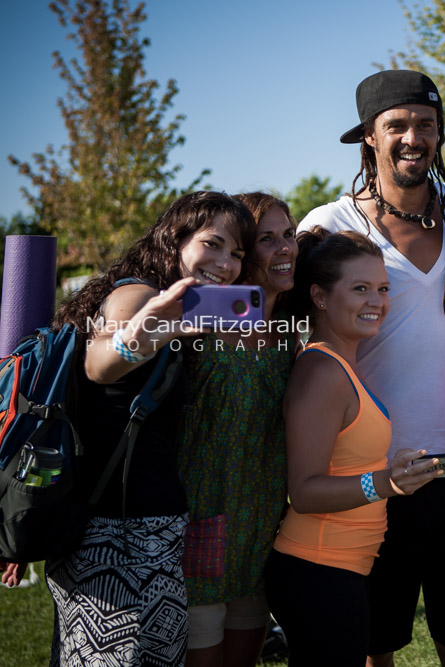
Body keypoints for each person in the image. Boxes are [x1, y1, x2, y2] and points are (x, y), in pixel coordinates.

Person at [298, 69, 445, 666]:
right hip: (368, 471)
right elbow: (282, 315)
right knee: (372, 642)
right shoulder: (330, 225)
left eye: (426, 125)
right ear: (369, 136)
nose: (414, 137)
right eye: (397, 125)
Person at [45, 191, 257, 665]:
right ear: (174, 238)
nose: (225, 263)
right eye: (213, 244)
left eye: (238, 254)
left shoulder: (177, 308)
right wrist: (147, 333)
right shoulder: (135, 296)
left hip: (147, 528)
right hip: (114, 536)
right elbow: (100, 365)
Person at [264, 229, 439, 666]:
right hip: (316, 572)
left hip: (340, 572)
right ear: (320, 297)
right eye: (360, 288)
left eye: (382, 289)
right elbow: (304, 492)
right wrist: (387, 483)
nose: (377, 301)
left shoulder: (342, 365)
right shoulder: (323, 372)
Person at [177, 192, 299, 667]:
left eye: (288, 235)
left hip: (261, 534)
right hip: (199, 528)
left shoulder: (290, 332)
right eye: (267, 239)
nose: (285, 248)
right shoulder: (200, 322)